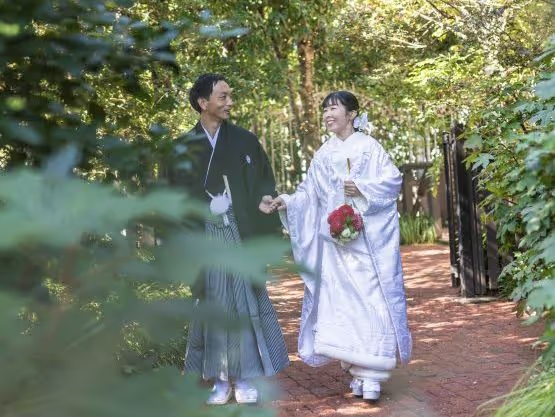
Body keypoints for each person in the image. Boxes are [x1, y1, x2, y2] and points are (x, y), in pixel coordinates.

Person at [259, 91, 411, 401]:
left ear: (352, 114)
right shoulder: (324, 153)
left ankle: (372, 375)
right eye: (325, 110)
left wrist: (362, 188)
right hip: (335, 244)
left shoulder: (369, 147)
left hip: (365, 244)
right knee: (342, 304)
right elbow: (309, 193)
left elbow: (393, 181)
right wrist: (286, 201)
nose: (328, 115)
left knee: (371, 301)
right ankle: (356, 370)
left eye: (334, 109)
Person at [168, 73, 289, 405]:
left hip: (240, 232)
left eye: (229, 96)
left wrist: (264, 201)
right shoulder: (182, 147)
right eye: (222, 97)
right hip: (206, 236)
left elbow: (263, 182)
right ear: (202, 102)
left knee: (244, 304)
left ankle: (246, 377)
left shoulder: (245, 140)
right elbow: (174, 199)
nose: (229, 102)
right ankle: (220, 380)